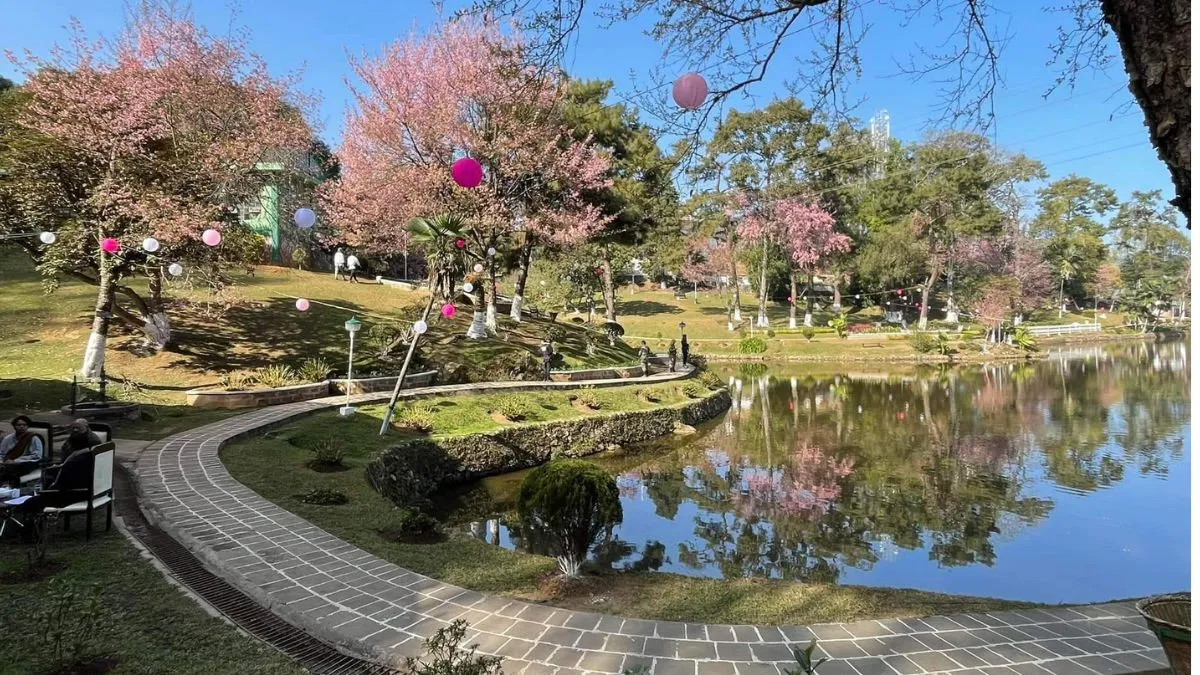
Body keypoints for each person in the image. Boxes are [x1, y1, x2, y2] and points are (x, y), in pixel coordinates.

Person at [0, 415, 44, 486]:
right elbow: (2, 454)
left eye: (24, 425)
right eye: (19, 425)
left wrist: (15, 461)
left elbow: (36, 455)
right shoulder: (7, 439)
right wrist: (2, 462)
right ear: (14, 426)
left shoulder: (33, 438)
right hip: (8, 462)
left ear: (27, 426)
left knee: (15, 469)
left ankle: (13, 487)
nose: (22, 426)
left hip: (26, 463)